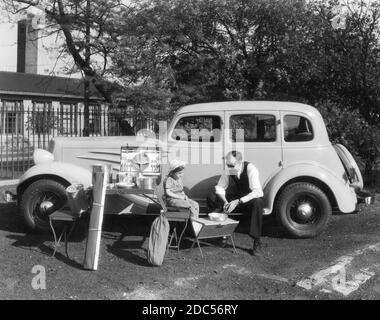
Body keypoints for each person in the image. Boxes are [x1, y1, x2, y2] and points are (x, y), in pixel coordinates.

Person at [207, 150, 264, 256]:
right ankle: (221, 233)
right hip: (238, 197)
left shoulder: (250, 168)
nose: (228, 167)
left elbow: (258, 192)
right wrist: (225, 202)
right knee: (212, 197)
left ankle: (257, 240)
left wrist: (237, 202)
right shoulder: (230, 169)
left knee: (258, 202)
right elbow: (220, 186)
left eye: (231, 165)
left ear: (240, 162)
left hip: (249, 199)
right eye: (227, 165)